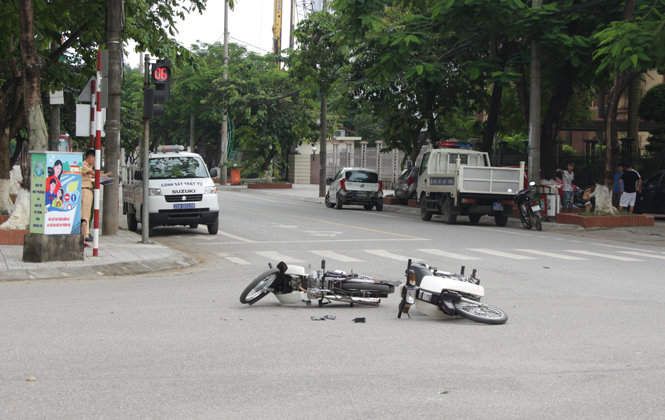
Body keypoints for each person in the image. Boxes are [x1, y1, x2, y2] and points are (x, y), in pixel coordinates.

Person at [81, 149, 112, 245]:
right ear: (90, 157)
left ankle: (86, 233)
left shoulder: (88, 166)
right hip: (84, 190)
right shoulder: (83, 165)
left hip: (89, 190)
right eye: (94, 160)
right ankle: (84, 235)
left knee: (88, 213)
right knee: (84, 214)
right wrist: (103, 175)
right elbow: (92, 173)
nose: (94, 163)